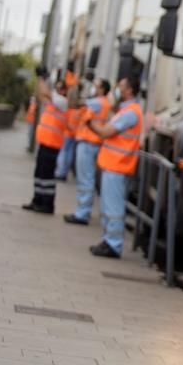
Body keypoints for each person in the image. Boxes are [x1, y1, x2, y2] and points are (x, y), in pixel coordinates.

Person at [85, 76, 143, 258]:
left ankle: (113, 244)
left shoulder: (130, 113)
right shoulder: (124, 110)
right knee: (109, 207)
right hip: (114, 165)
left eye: (121, 86)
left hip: (118, 166)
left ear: (129, 91)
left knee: (114, 208)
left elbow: (105, 132)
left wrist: (88, 122)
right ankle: (108, 240)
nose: (117, 88)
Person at [64, 78, 111, 226]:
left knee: (85, 178)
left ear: (102, 89)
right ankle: (83, 210)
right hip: (92, 142)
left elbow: (74, 103)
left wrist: (75, 86)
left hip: (88, 142)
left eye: (96, 86)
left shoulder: (98, 102)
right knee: (87, 177)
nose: (93, 89)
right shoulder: (103, 103)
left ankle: (82, 213)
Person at [22, 69, 68, 214]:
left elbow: (46, 93)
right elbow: (41, 94)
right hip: (45, 142)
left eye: (61, 87)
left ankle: (47, 204)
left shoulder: (62, 101)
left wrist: (43, 78)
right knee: (40, 173)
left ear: (65, 91)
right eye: (57, 86)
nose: (58, 89)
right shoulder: (54, 101)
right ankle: (37, 200)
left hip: (52, 144)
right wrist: (40, 80)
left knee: (47, 175)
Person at [54, 89, 84, 181]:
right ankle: (65, 171)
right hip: (75, 134)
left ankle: (60, 172)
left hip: (67, 133)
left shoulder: (67, 108)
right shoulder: (81, 110)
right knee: (70, 153)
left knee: (63, 152)